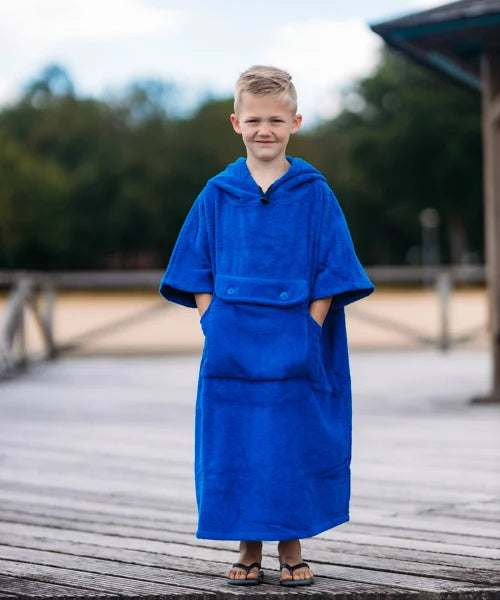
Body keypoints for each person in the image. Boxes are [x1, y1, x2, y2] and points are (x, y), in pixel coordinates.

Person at [159, 65, 374, 587]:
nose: (265, 130)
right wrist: (213, 319)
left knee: (290, 441)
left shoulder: (314, 193)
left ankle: (291, 549)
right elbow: (194, 264)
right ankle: (247, 549)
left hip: (296, 341)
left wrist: (310, 329)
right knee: (237, 441)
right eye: (254, 120)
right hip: (232, 343)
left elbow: (332, 267)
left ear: (295, 123)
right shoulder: (217, 193)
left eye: (276, 120)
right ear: (236, 123)